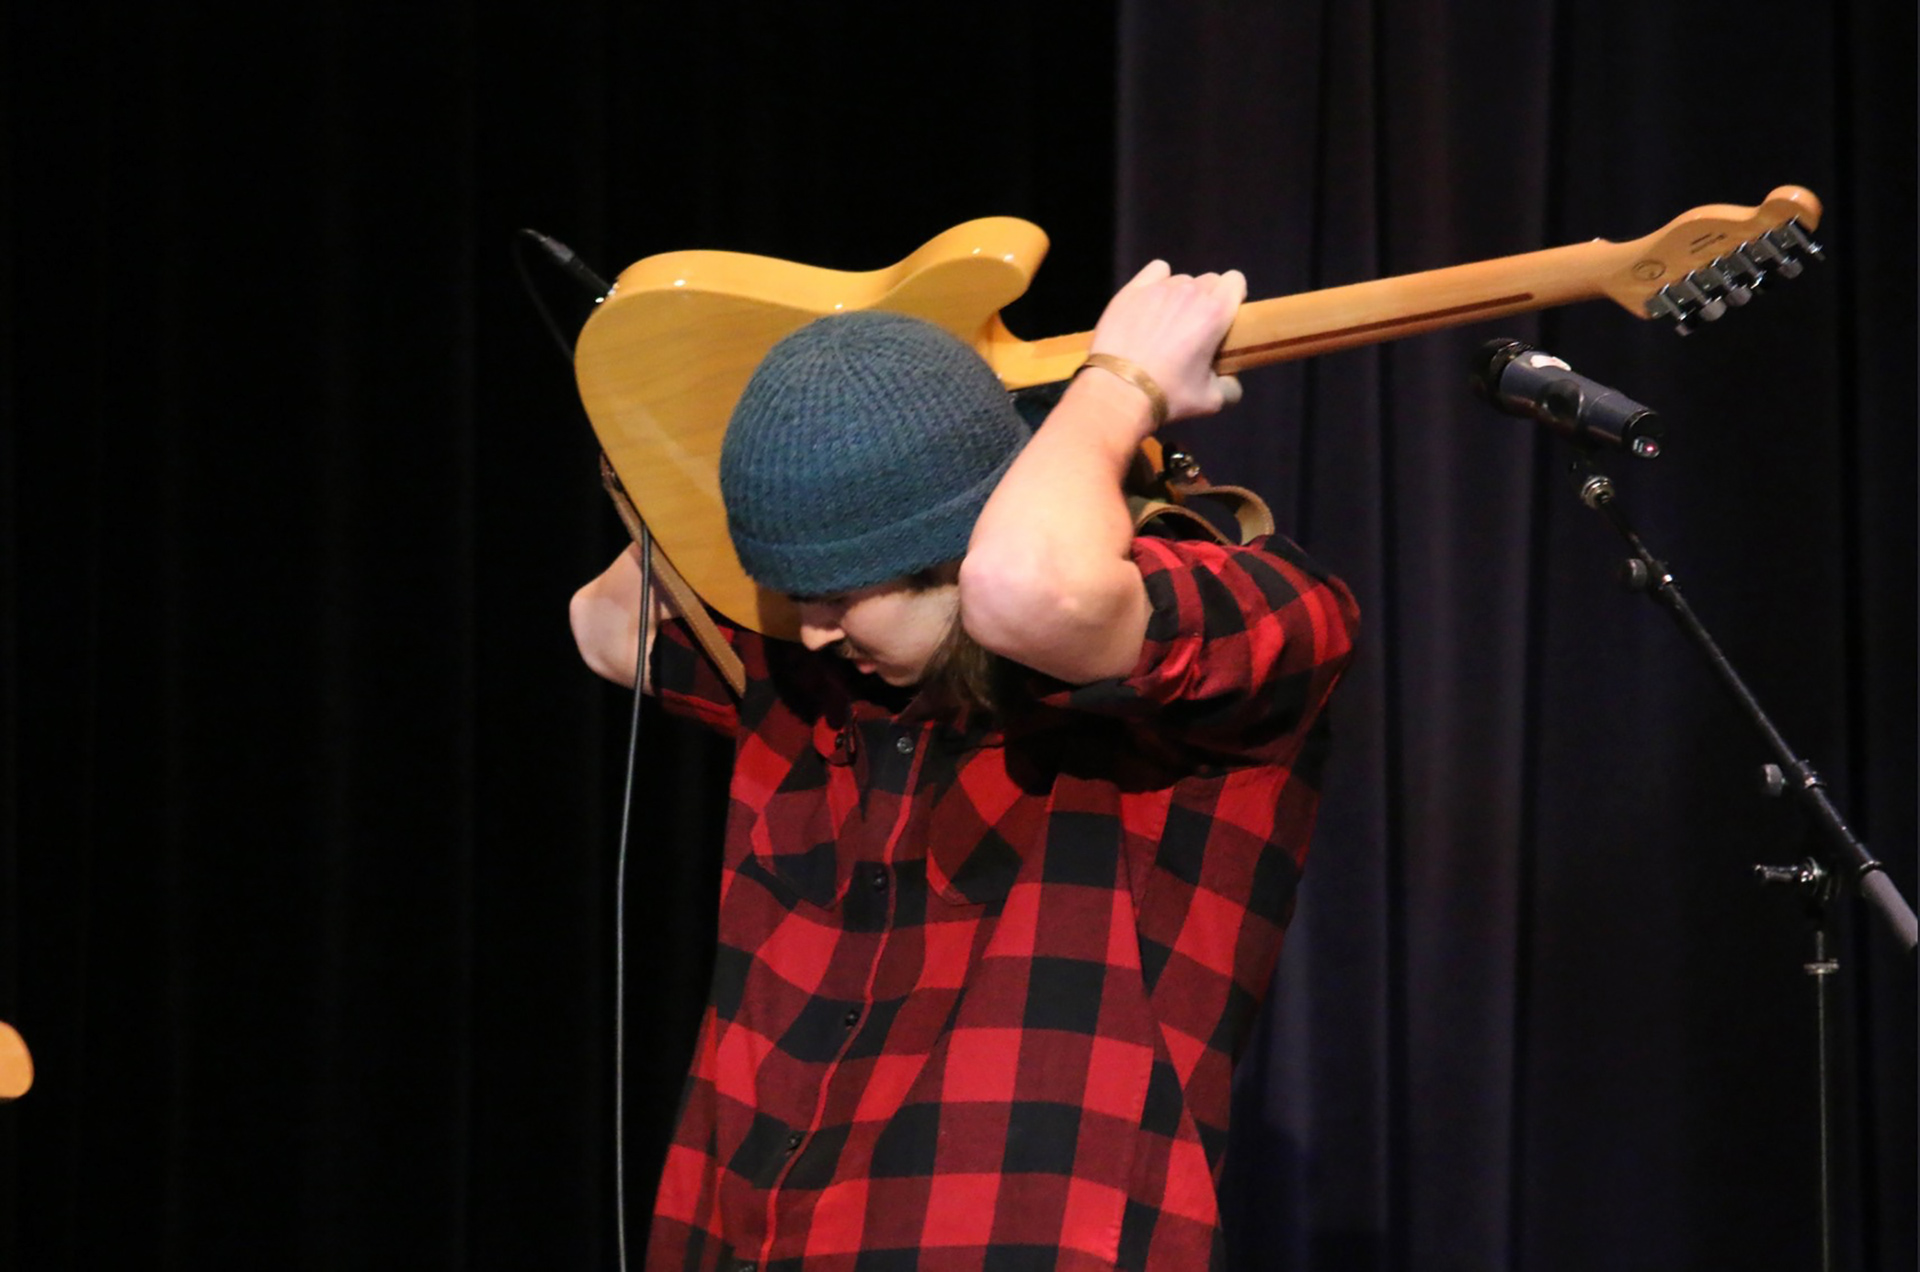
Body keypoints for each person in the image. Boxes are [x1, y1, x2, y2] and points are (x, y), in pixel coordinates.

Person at [570, 261, 1358, 1270]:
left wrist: (1118, 385)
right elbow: (605, 625)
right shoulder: (824, 666)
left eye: (837, 595)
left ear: (957, 541)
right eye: (792, 592)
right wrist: (744, 424)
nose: (808, 631)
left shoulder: (1246, 617)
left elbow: (1029, 592)